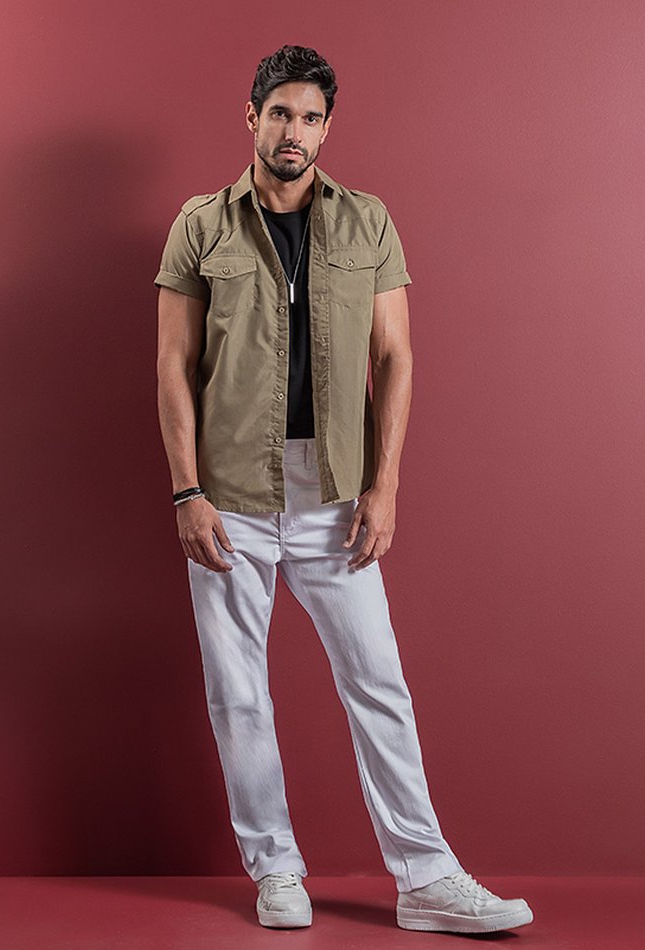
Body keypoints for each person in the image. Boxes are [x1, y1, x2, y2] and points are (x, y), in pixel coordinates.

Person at [154, 44, 534, 935]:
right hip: (229, 494)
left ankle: (426, 878)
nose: (294, 131)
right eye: (280, 113)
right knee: (238, 691)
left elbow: (395, 356)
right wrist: (185, 492)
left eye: (311, 117)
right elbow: (173, 365)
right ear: (252, 117)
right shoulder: (201, 225)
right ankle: (276, 870)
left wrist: (385, 485)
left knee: (379, 681)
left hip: (333, 492)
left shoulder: (368, 223)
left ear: (327, 128)